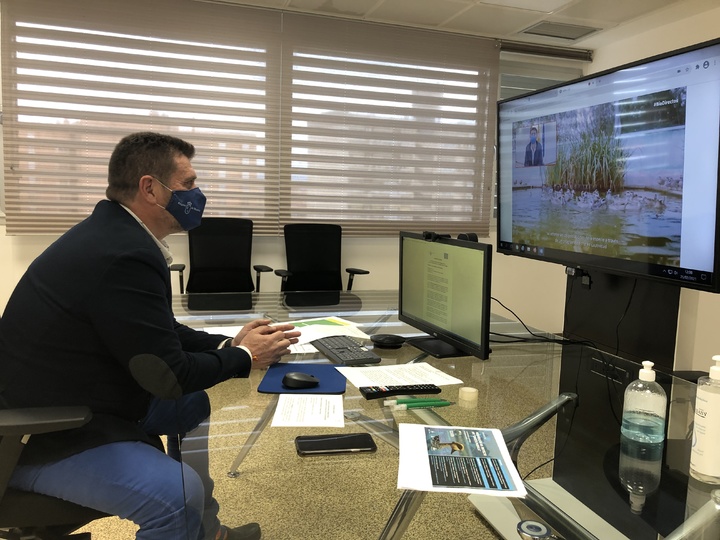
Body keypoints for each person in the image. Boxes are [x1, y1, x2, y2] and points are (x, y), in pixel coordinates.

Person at [0, 132, 301, 540]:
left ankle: (206, 532)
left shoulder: (116, 236)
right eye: (189, 184)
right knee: (175, 497)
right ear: (150, 188)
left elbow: (158, 332)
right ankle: (183, 521)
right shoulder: (124, 254)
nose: (198, 193)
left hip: (78, 398)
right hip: (37, 435)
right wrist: (246, 357)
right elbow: (168, 375)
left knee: (190, 406)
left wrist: (227, 345)